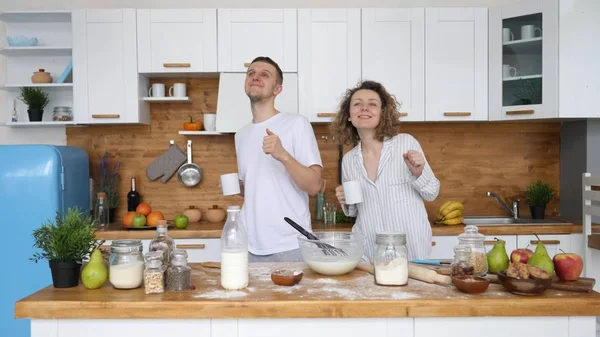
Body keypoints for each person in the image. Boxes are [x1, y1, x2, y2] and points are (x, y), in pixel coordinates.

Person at [330, 80, 440, 261]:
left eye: (372, 104)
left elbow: (432, 193)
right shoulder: (349, 160)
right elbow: (355, 211)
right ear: (349, 115)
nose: (364, 108)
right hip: (370, 251)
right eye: (357, 104)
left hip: (411, 248)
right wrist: (346, 201)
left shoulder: (405, 143)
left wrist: (419, 173)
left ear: (383, 113)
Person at [233, 56, 323, 262]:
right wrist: (237, 188)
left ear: (277, 89)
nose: (255, 77)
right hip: (249, 244)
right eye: (251, 73)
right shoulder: (241, 135)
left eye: (265, 75)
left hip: (289, 244)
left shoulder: (296, 124)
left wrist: (283, 155)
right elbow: (256, 188)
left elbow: (314, 185)